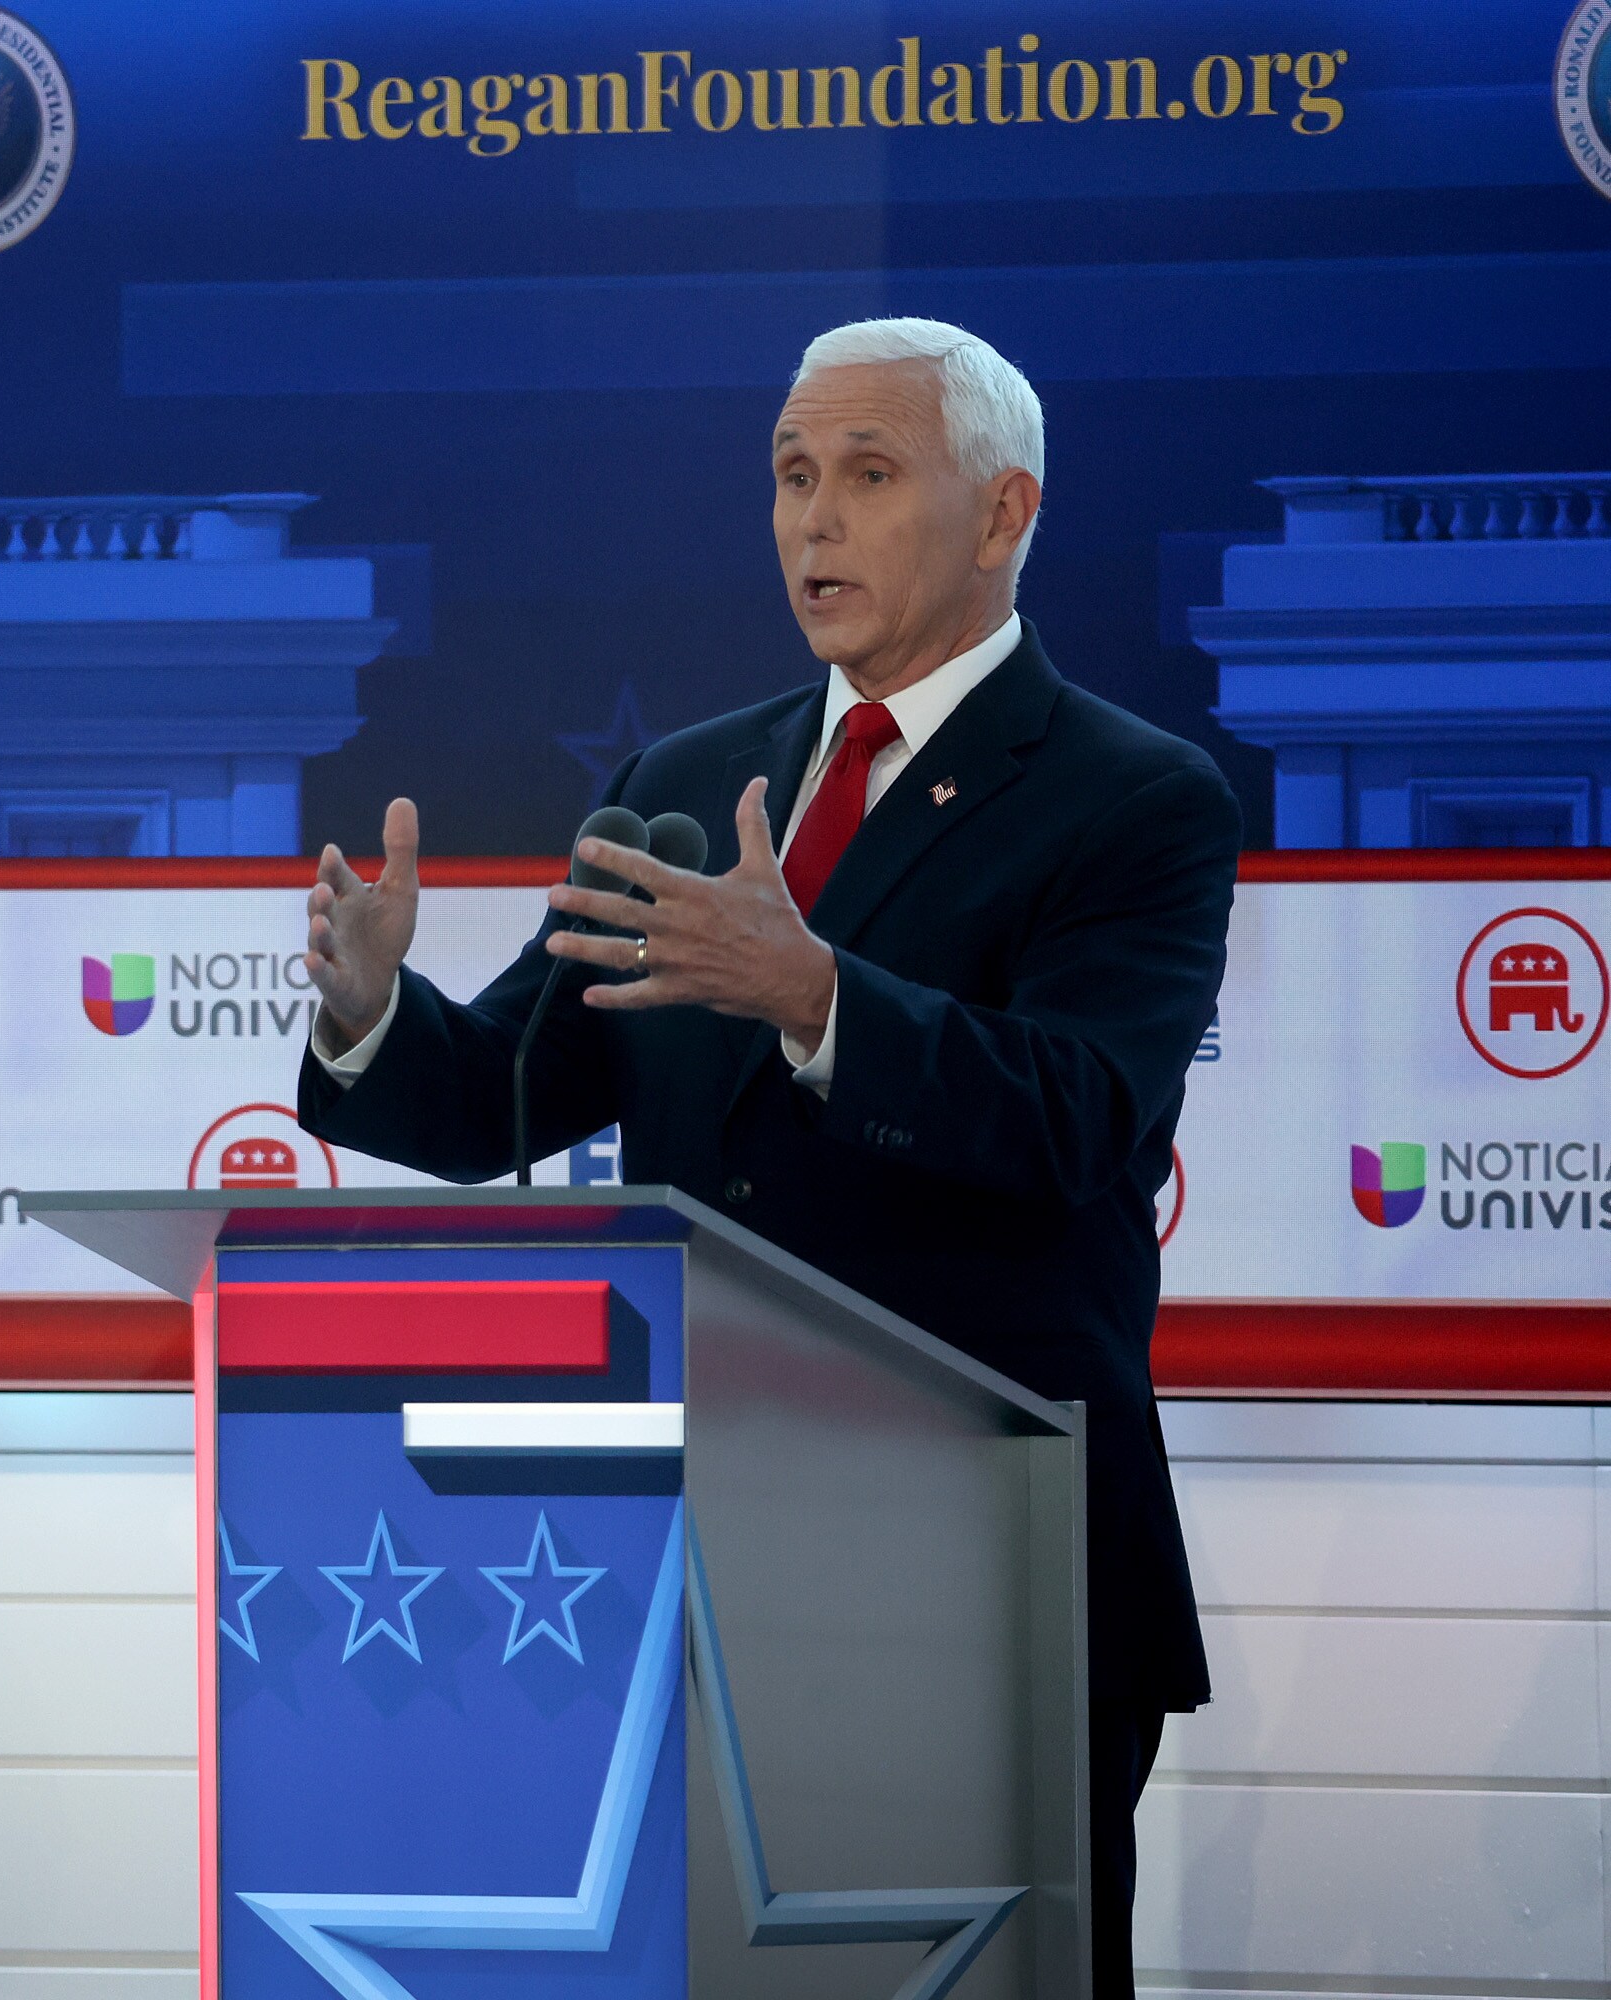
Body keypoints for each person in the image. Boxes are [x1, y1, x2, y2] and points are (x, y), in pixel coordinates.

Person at [297, 316, 1232, 1988]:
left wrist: (816, 999)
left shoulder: (1133, 799)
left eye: (868, 476)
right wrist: (375, 1015)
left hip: (990, 1549)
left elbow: (1083, 1116)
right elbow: (507, 1089)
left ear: (1005, 513)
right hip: (690, 1547)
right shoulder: (683, 783)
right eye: (793, 477)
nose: (813, 521)